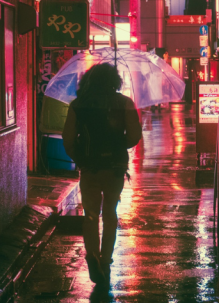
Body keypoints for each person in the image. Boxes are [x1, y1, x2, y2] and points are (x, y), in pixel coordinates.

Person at [62, 63, 142, 286]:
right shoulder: (125, 103)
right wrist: (117, 147)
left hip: (89, 167)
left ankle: (91, 256)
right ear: (114, 81)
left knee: (90, 214)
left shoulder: (79, 105)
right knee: (109, 212)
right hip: (115, 167)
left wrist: (80, 158)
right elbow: (135, 136)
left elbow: (68, 138)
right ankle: (105, 260)